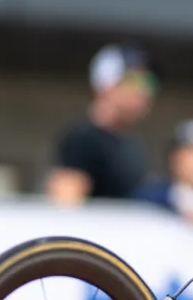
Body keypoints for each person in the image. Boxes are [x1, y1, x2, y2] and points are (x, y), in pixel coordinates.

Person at [46, 43, 157, 205]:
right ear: (106, 85)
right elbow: (65, 204)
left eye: (149, 82)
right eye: (134, 81)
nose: (144, 91)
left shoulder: (131, 143)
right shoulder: (82, 139)